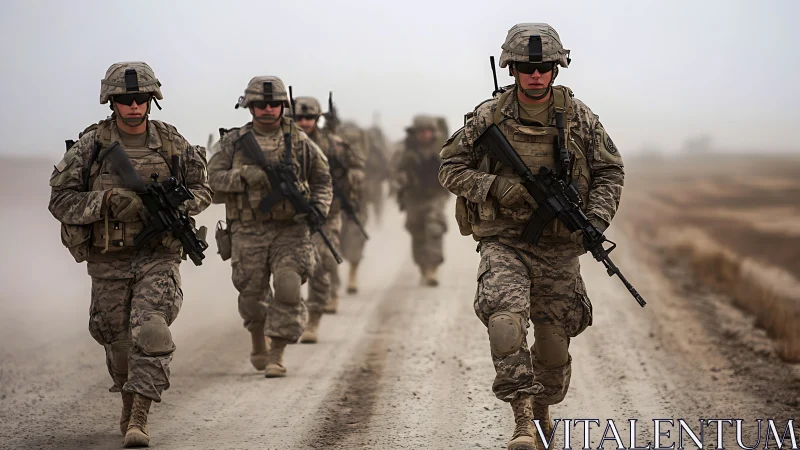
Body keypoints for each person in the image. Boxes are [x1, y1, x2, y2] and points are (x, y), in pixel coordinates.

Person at [438, 23, 625, 450]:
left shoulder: (578, 117)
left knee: (554, 353)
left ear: (556, 70)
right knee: (505, 322)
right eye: (526, 67)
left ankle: (542, 408)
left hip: (560, 248)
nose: (535, 75)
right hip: (505, 241)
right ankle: (522, 420)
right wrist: (494, 187)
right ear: (512, 68)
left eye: (543, 68)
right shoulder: (488, 117)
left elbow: (611, 169)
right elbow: (449, 167)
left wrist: (595, 218)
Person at [48, 61, 212, 447]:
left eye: (140, 98)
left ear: (151, 100)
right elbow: (60, 200)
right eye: (125, 99)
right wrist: (105, 200)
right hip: (108, 259)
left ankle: (139, 417)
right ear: (112, 102)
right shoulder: (92, 145)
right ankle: (127, 395)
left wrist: (180, 204)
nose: (134, 106)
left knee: (153, 331)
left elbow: (204, 190)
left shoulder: (172, 142)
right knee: (118, 344)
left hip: (159, 255)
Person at [207, 77, 332, 376]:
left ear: (282, 106)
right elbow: (210, 181)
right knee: (252, 296)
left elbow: (322, 179)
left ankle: (277, 352)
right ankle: (257, 339)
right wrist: (243, 177)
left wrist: (318, 209)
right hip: (247, 230)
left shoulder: (299, 141)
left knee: (288, 288)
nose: (267, 109)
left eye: (274, 104)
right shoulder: (233, 143)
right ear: (249, 106)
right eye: (261, 104)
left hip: (291, 230)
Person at [291, 96, 364, 340]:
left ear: (318, 119)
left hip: (327, 213)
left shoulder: (335, 145)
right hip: (290, 218)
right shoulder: (284, 144)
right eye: (299, 117)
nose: (304, 122)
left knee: (322, 261)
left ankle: (314, 318)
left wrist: (344, 178)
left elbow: (358, 169)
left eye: (309, 117)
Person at [392, 115, 450, 286]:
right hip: (413, 197)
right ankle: (423, 266)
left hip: (435, 196)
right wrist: (402, 179)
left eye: (428, 131)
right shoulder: (405, 150)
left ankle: (432, 268)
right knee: (417, 232)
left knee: (434, 227)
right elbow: (395, 169)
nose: (425, 135)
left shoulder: (443, 148)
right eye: (421, 132)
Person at [336, 121, 371, 296]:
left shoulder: (359, 155)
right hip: (330, 205)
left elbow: (363, 172)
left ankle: (353, 274)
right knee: (330, 247)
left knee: (355, 240)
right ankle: (331, 287)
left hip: (356, 203)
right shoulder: (325, 147)